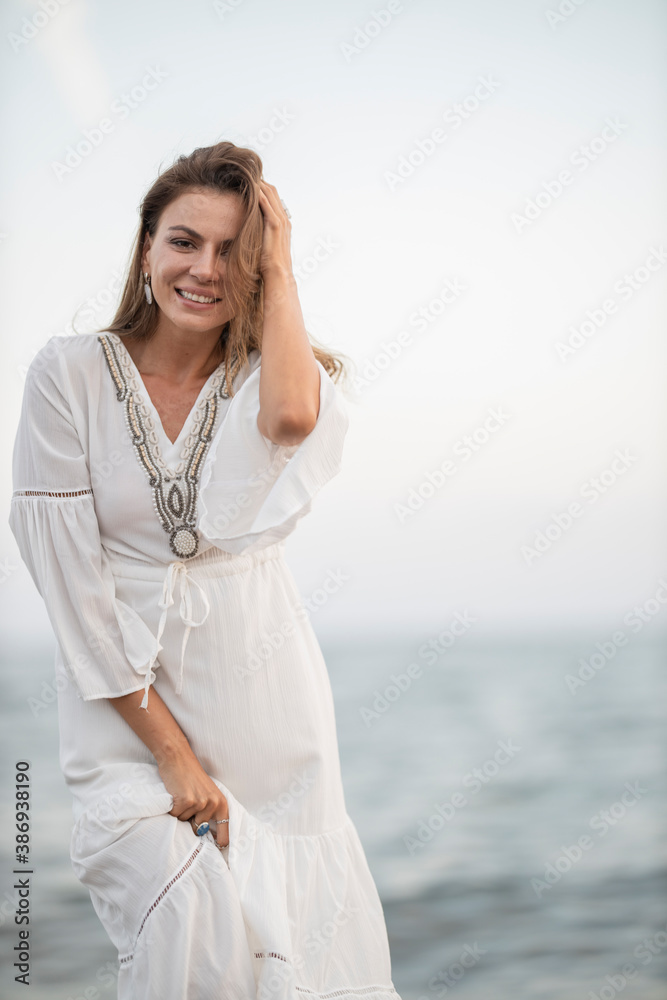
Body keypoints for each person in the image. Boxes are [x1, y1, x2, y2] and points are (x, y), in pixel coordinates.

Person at [9, 142, 402, 999]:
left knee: (290, 953)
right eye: (184, 241)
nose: (204, 269)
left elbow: (291, 421)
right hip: (125, 716)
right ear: (146, 245)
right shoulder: (68, 375)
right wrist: (174, 757)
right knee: (188, 917)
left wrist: (281, 263)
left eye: (234, 252)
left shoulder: (273, 376)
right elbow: (72, 590)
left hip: (268, 707)